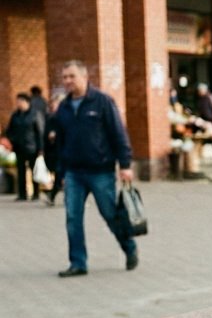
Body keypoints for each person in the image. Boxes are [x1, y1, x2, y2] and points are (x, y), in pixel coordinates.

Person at [52, 60, 137, 276]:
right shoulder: (63, 107)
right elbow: (61, 143)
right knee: (72, 218)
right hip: (73, 173)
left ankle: (129, 246)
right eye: (64, 77)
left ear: (84, 77)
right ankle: (78, 263)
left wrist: (125, 164)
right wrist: (60, 173)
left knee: (109, 214)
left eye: (72, 76)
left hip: (101, 171)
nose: (67, 81)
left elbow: (118, 134)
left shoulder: (102, 102)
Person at [5, 92, 43, 201]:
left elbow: (39, 132)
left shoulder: (35, 114)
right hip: (19, 147)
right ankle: (22, 194)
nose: (18, 104)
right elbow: (9, 130)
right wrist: (12, 140)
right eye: (17, 102)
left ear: (26, 102)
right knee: (21, 172)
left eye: (20, 101)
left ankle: (36, 193)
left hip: (32, 147)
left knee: (34, 170)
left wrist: (41, 148)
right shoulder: (15, 115)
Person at [43, 94, 63, 206]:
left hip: (66, 152)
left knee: (62, 176)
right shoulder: (51, 118)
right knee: (60, 175)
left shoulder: (65, 117)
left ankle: (52, 194)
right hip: (56, 151)